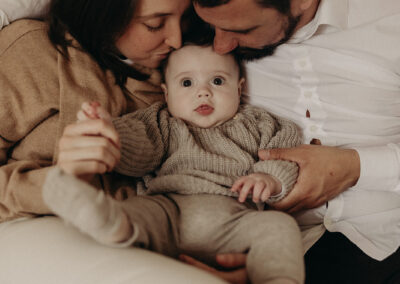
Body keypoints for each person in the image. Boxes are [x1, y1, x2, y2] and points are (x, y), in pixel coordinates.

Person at [0, 0, 233, 283]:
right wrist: (57, 181)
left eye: (184, 19)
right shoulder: (33, 53)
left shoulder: (190, 68)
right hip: (32, 226)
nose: (176, 39)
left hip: (154, 236)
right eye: (154, 24)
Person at [43, 43, 305, 284]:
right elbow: (139, 147)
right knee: (135, 212)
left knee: (279, 226)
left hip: (234, 220)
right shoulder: (163, 123)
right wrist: (108, 130)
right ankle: (102, 217)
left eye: (217, 81)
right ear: (166, 95)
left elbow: (285, 150)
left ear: (239, 88)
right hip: (168, 211)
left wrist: (269, 178)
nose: (203, 92)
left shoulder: (258, 123)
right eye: (187, 82)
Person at [186, 0, 400, 283]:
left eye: (244, 29)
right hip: (277, 249)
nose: (221, 45)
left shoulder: (390, 20)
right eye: (212, 26)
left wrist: (355, 167)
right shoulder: (198, 36)